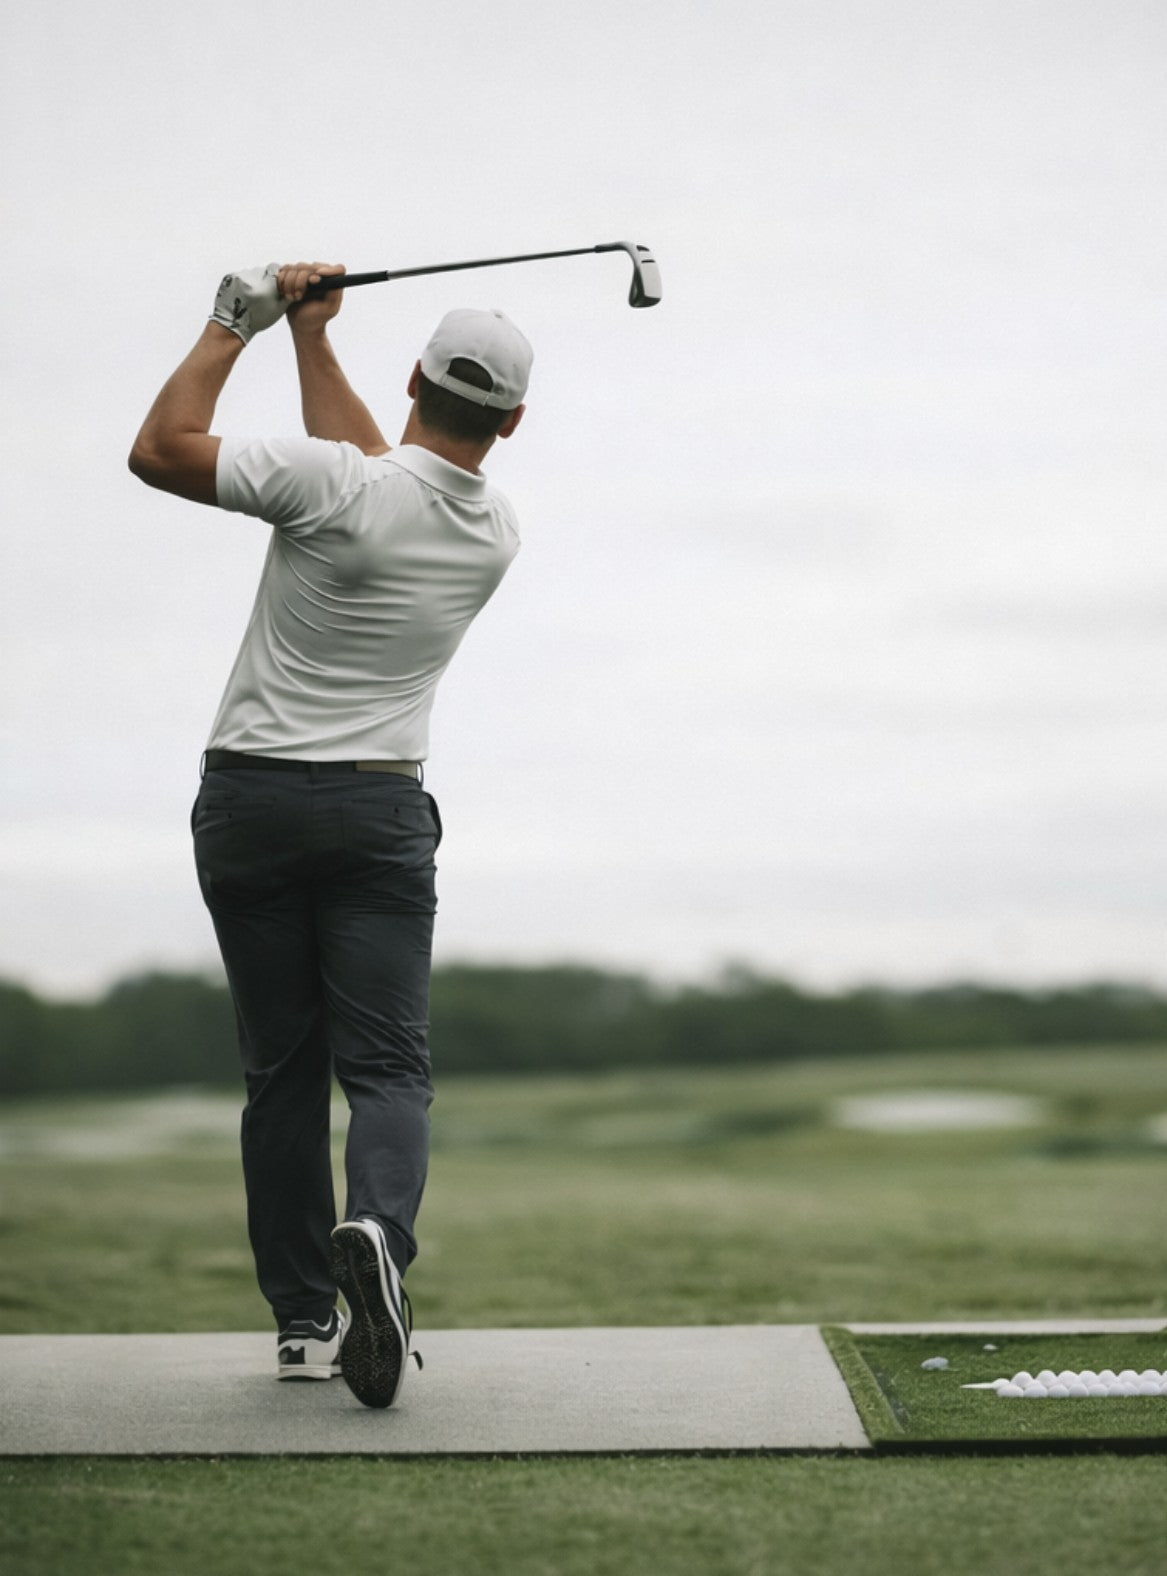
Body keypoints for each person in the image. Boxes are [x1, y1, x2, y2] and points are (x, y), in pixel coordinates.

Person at [128, 261, 531, 1408]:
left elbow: (162, 447)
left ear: (413, 376)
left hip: (251, 804)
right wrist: (312, 340)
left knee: (283, 1077)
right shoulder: (495, 529)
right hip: (377, 812)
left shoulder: (328, 485)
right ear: (513, 420)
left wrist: (235, 323)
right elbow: (386, 470)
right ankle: (381, 1242)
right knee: (389, 1069)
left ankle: (306, 1322)